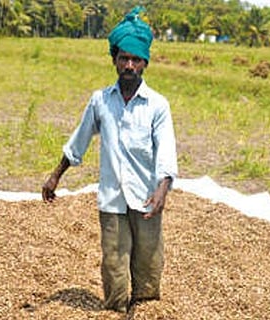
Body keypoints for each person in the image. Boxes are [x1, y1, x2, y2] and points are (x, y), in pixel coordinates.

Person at [41, 6, 178, 313]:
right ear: (115, 59)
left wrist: (162, 189)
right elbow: (79, 140)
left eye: (135, 59)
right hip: (112, 200)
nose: (129, 65)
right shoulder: (100, 100)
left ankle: (143, 311)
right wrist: (55, 175)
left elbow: (167, 151)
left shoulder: (157, 105)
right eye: (123, 58)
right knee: (114, 268)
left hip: (146, 200)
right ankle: (116, 310)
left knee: (148, 266)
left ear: (144, 63)